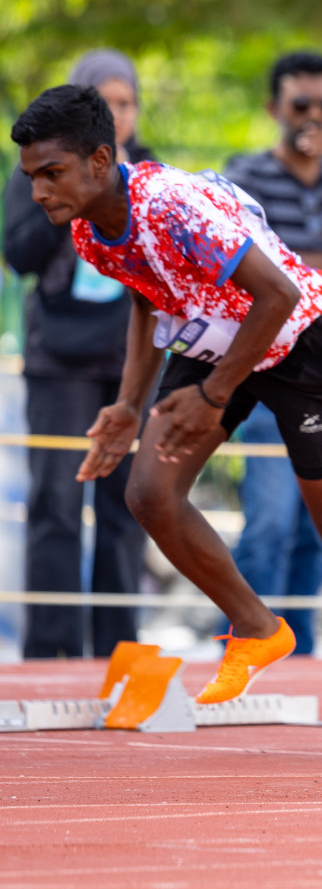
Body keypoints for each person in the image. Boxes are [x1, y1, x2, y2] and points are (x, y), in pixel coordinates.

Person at [11, 84, 322, 702]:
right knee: (150, 495)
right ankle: (255, 627)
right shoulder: (92, 231)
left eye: (51, 173)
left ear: (98, 160)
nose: (38, 192)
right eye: (32, 176)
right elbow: (148, 301)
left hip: (297, 337)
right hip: (214, 343)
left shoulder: (172, 208)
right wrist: (127, 403)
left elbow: (278, 296)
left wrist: (216, 396)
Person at [221, 50, 322, 656]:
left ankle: (301, 652)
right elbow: (247, 272)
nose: (315, 117)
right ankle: (247, 642)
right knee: (267, 523)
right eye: (301, 105)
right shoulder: (246, 176)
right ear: (273, 108)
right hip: (269, 377)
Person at [2, 50, 151, 658]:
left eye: (124, 104)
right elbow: (18, 254)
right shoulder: (42, 168)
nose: (114, 115)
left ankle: (120, 650)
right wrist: (71, 192)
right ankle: (51, 651)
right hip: (57, 358)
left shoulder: (152, 174)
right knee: (56, 504)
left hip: (127, 362)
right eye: (102, 102)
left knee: (128, 508)